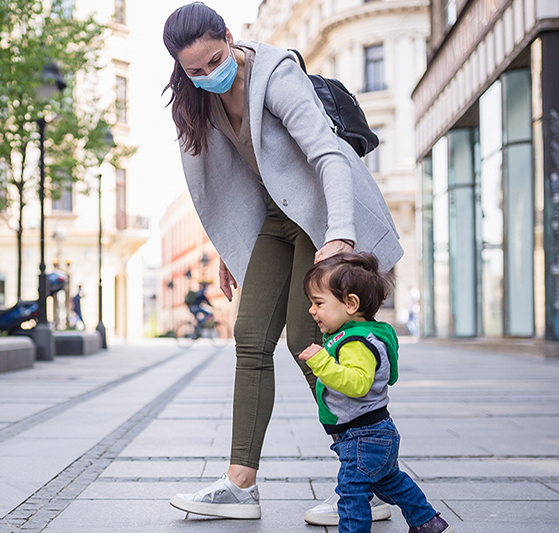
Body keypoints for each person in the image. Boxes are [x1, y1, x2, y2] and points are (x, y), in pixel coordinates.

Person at [163, 2, 403, 524]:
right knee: (249, 338)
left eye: (214, 60)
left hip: (319, 210)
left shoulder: (276, 75)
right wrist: (231, 247)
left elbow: (329, 155)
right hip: (272, 219)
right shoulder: (196, 101)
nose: (207, 75)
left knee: (306, 342)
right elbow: (217, 187)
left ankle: (372, 481)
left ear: (228, 37)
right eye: (193, 70)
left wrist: (339, 234)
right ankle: (239, 485)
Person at [299, 252, 453, 533]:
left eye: (318, 303)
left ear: (351, 303)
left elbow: (357, 383)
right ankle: (429, 523)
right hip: (374, 434)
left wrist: (322, 361)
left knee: (351, 492)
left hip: (363, 437)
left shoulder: (357, 343)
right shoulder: (363, 335)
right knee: (391, 482)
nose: (311, 310)